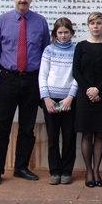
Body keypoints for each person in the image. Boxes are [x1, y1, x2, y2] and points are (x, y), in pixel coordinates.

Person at [0, 0, 50, 186]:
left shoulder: (40, 22)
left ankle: (21, 167)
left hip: (32, 80)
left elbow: (45, 53)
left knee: (27, 127)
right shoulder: (2, 21)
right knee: (1, 126)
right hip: (8, 79)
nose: (23, 0)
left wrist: (44, 85)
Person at [73, 12, 102, 188]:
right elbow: (76, 72)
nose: (96, 26)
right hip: (85, 97)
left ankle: (97, 170)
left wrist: (98, 89)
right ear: (88, 26)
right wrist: (89, 90)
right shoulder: (81, 46)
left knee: (99, 134)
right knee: (87, 133)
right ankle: (88, 171)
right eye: (92, 23)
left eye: (99, 23)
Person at [39, 17, 78, 185]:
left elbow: (77, 75)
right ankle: (54, 171)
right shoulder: (49, 50)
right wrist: (46, 98)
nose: (63, 36)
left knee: (69, 137)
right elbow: (42, 75)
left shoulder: (77, 50)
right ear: (55, 33)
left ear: (71, 33)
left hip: (69, 100)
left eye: (66, 32)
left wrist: (70, 97)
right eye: (60, 33)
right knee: (53, 137)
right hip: (51, 99)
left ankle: (66, 171)